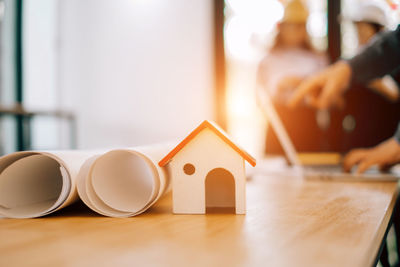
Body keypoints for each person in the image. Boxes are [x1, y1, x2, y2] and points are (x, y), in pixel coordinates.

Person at [289, 25, 400, 174]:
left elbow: (393, 92)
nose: (360, 35)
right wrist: (347, 69)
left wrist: (398, 144)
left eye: (363, 30)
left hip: (381, 136)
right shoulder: (357, 58)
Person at [257, 0, 329, 155]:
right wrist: (300, 83)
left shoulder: (317, 59)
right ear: (282, 28)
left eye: (299, 26)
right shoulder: (269, 59)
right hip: (279, 123)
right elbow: (260, 97)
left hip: (308, 124)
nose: (295, 31)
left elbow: (325, 92)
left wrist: (298, 84)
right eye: (290, 26)